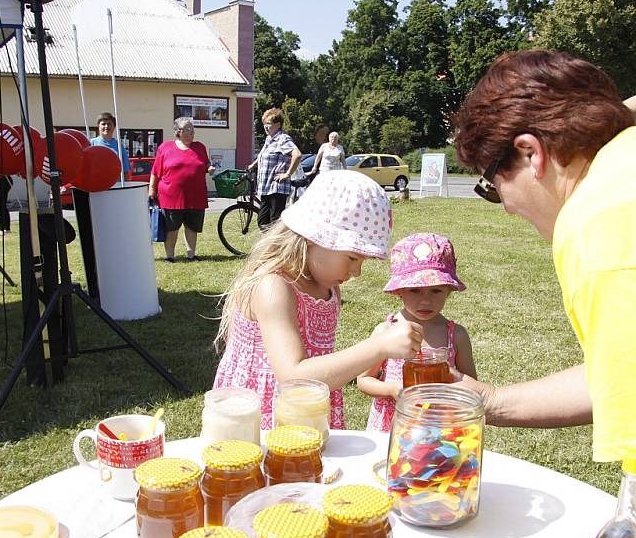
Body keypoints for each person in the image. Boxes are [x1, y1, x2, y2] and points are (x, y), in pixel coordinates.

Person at [452, 49, 636, 463]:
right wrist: (490, 400)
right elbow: (622, 371)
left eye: (494, 186)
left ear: (531, 153)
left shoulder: (599, 222)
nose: (508, 206)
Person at [213, 170, 423, 430]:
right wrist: (378, 347)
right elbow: (292, 377)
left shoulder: (328, 289)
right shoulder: (273, 287)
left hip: (308, 409)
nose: (356, 272)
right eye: (352, 258)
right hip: (260, 417)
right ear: (313, 237)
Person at [359, 233, 477, 432]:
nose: (425, 300)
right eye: (415, 290)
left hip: (438, 424)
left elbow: (471, 385)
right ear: (399, 290)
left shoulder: (456, 335)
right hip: (393, 425)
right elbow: (363, 380)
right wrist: (391, 389)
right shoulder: (386, 331)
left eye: (436, 291)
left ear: (449, 290)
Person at [75, 113, 130, 301]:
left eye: (108, 124)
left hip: (114, 193)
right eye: (102, 124)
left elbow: (126, 173)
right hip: (95, 193)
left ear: (114, 127)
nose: (105, 127)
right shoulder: (92, 144)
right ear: (98, 127)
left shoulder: (119, 146)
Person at [148, 117, 215, 262]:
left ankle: (191, 254)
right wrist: (151, 189)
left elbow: (205, 163)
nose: (192, 132)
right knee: (172, 228)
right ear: (178, 132)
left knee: (192, 227)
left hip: (195, 196)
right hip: (171, 196)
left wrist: (209, 168)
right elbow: (155, 171)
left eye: (193, 129)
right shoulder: (165, 148)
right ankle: (170, 256)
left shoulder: (199, 147)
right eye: (188, 130)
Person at [246, 108, 302, 229]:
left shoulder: (283, 139)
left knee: (274, 223)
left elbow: (297, 155)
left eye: (269, 123)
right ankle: (272, 246)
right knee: (263, 222)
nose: (266, 127)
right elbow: (262, 156)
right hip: (266, 187)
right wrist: (252, 165)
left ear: (278, 124)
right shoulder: (269, 139)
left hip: (277, 188)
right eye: (264, 123)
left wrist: (287, 174)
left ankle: (278, 246)